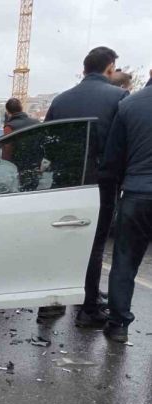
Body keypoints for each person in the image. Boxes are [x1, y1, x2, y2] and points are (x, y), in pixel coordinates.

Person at [41, 46, 129, 324]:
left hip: (64, 181)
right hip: (101, 182)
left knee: (60, 241)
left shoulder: (61, 100)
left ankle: (51, 303)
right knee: (93, 243)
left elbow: (46, 141)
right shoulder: (119, 98)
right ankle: (88, 308)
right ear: (110, 68)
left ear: (84, 68)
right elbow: (122, 144)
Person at [97, 85, 152, 342]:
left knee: (124, 261)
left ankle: (118, 323)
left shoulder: (130, 105)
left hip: (137, 192)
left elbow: (113, 158)